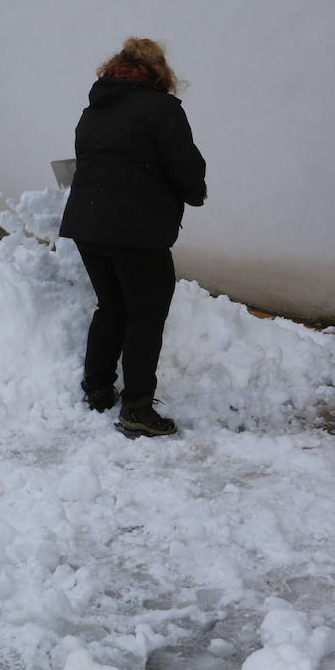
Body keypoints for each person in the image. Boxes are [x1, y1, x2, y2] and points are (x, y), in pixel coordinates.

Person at [58, 38, 207, 437]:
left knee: (112, 306)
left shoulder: (93, 110)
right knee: (145, 314)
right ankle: (137, 409)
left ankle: (98, 388)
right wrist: (195, 192)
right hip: (135, 231)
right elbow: (185, 166)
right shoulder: (162, 110)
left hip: (88, 226)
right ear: (159, 72)